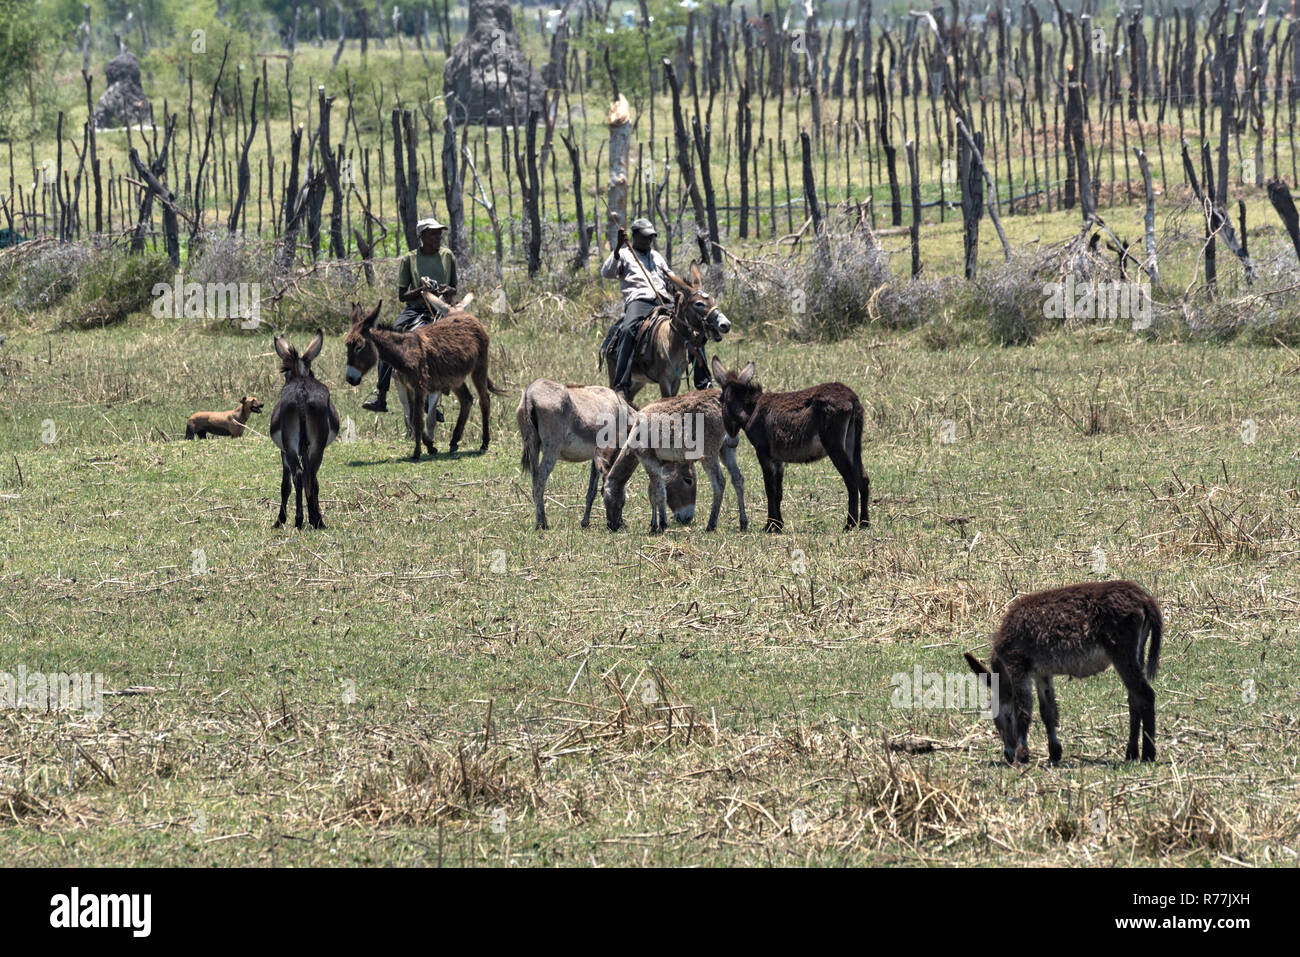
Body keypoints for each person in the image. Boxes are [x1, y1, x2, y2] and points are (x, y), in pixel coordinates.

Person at [599, 218, 710, 399]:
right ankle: (621, 384)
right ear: (634, 236)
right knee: (628, 329)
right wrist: (618, 247)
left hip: (664, 300)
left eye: (650, 237)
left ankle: (704, 382)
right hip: (639, 301)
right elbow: (607, 272)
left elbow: (669, 277)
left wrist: (684, 288)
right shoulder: (625, 254)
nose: (647, 241)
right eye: (644, 237)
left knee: (694, 327)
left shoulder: (656, 256)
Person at [361, 217, 459, 413]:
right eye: (433, 233)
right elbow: (402, 295)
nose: (438, 237)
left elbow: (454, 287)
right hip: (415, 309)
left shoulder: (448, 256)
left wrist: (448, 291)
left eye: (439, 233)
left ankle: (444, 387)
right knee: (387, 340)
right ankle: (381, 394)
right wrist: (421, 290)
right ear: (422, 236)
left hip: (442, 309)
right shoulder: (409, 259)